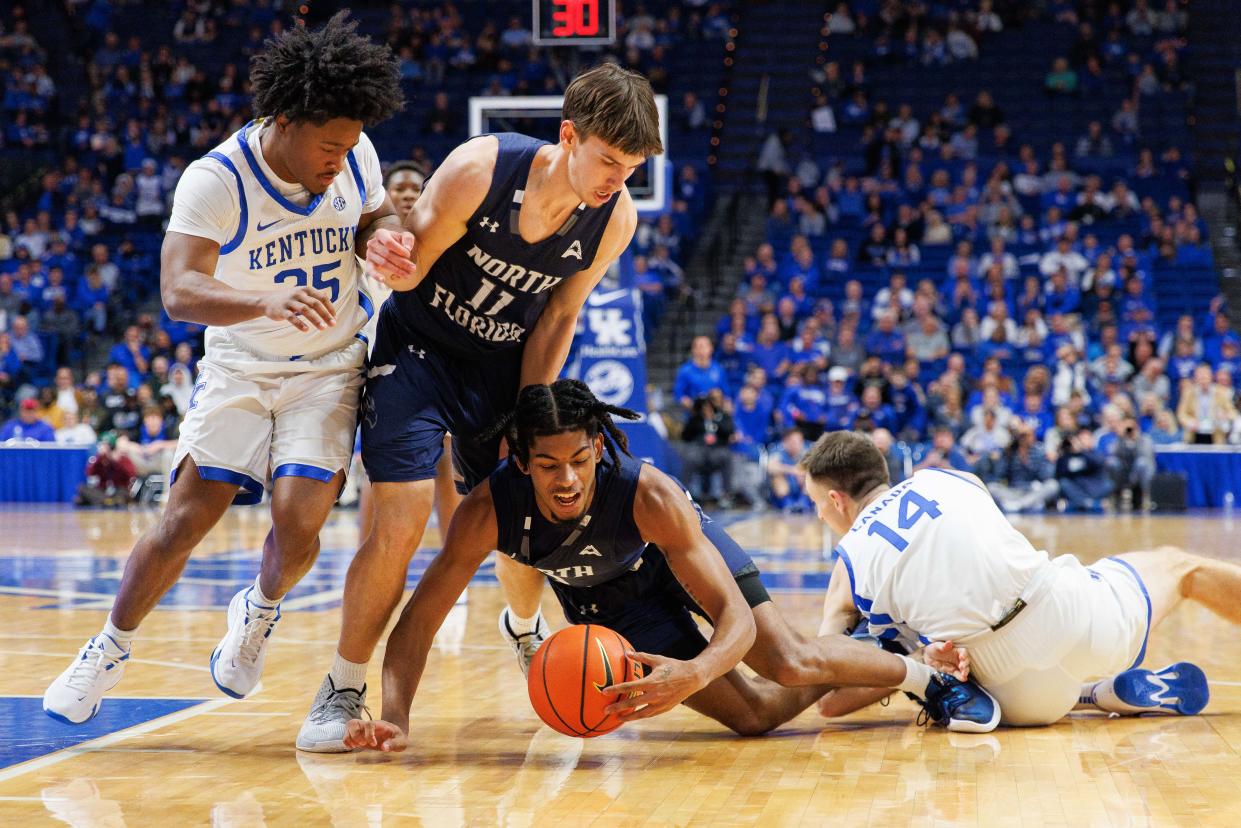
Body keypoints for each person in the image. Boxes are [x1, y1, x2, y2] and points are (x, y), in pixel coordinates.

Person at [43, 13, 405, 724]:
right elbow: (178, 293)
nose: (342, 160)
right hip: (241, 365)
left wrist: (387, 238)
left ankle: (259, 611)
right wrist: (262, 298)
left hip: (329, 366)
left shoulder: (352, 157)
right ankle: (108, 649)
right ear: (286, 120)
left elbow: (375, 211)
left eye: (351, 147)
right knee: (184, 521)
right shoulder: (215, 179)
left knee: (299, 523)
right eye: (330, 146)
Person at [297, 64, 662, 752]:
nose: (618, 178)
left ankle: (522, 629)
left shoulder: (615, 217)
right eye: (609, 160)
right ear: (567, 137)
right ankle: (342, 686)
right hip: (419, 354)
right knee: (401, 520)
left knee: (519, 515)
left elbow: (559, 314)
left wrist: (528, 412)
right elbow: (407, 269)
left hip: (502, 371)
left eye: (632, 166)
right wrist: (387, 248)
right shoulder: (479, 169)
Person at [340, 381, 989, 752]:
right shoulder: (488, 511)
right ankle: (861, 650)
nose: (565, 478)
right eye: (547, 465)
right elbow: (419, 620)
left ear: (598, 446)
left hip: (671, 559)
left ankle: (915, 671)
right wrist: (395, 715)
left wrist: (697, 670)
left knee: (786, 662)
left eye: (578, 459)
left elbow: (731, 616)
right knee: (755, 717)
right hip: (613, 602)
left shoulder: (646, 494)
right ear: (519, 461)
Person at [803, 430, 1240, 726]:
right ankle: (1098, 689)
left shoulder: (847, 566)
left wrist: (914, 661)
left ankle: (1096, 694)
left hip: (1013, 697)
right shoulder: (950, 477)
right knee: (1181, 566)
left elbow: (828, 698)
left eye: (818, 504)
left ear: (838, 500)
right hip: (1071, 613)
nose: (820, 515)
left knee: (942, 662)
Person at [349, 159, 460, 546]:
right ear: (385, 197)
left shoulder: (441, 241)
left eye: (417, 189)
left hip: (433, 365)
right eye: (400, 189)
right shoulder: (367, 244)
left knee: (446, 460)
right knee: (374, 468)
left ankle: (451, 563)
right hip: (379, 364)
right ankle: (368, 554)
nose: (409, 195)